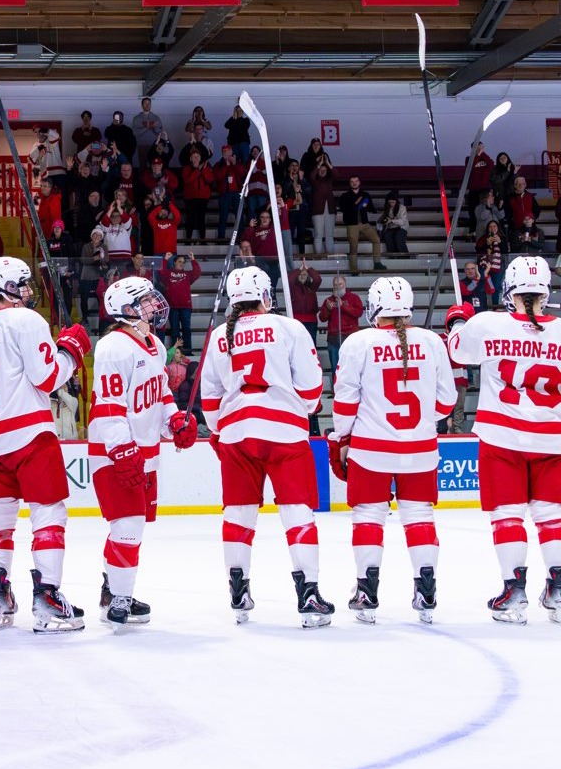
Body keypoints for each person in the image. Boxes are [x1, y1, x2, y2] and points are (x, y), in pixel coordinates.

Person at [200, 267, 330, 628]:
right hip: (285, 432)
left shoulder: (218, 338)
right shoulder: (289, 328)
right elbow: (310, 389)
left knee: (238, 515)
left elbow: (210, 398)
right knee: (297, 513)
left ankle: (238, 590)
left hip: (237, 433)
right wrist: (299, 407)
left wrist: (221, 430)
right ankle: (309, 594)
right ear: (265, 296)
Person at [0, 257, 90, 631]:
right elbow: (48, 376)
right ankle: (48, 595)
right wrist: (71, 351)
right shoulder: (25, 320)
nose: (27, 291)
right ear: (4, 287)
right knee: (49, 513)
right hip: (29, 434)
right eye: (21, 284)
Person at [329, 277, 456, 624]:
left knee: (368, 517)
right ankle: (426, 591)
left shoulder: (359, 342)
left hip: (370, 449)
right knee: (420, 517)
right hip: (420, 448)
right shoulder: (432, 341)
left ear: (374, 307)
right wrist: (419, 424)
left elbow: (345, 401)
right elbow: (447, 402)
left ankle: (366, 592)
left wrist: (342, 438)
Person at [446, 256, 561, 625]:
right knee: (552, 517)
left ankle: (514, 592)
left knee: (507, 516)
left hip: (503, 437)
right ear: (545, 290)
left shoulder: (489, 324)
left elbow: (457, 351)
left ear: (510, 289)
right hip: (553, 438)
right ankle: (559, 590)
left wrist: (459, 317)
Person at [86, 277, 194, 628]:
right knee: (127, 525)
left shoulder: (152, 344)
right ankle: (118, 597)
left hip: (144, 451)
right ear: (127, 310)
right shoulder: (113, 347)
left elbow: (160, 394)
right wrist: (121, 450)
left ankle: (114, 589)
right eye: (145, 301)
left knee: (132, 527)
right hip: (114, 450)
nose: (153, 306)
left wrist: (174, 421)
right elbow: (109, 407)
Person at [319, 276, 363, 375]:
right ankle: (336, 389)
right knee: (336, 369)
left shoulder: (354, 298)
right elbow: (322, 318)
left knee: (353, 367)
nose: (338, 286)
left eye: (340, 284)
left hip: (350, 337)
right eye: (335, 285)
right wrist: (328, 309)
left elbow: (358, 312)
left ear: (345, 284)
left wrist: (343, 306)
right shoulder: (328, 300)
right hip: (333, 339)